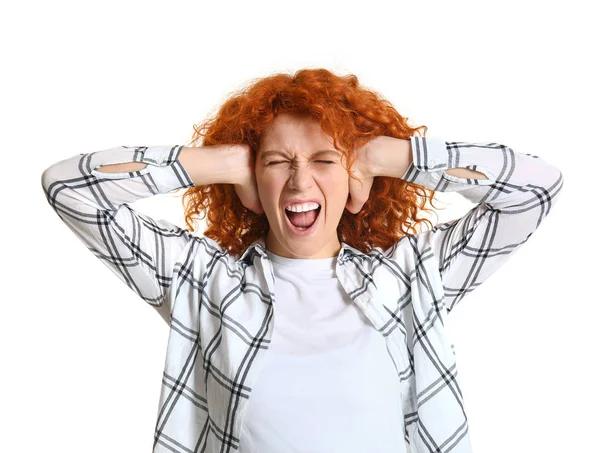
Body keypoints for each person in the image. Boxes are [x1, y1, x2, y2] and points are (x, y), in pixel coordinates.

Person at [41, 68, 564, 453]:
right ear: (251, 185)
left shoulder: (410, 277)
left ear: (354, 179)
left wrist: (392, 156)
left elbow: (535, 190)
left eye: (324, 160)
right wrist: (220, 162)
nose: (299, 181)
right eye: (276, 162)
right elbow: (69, 189)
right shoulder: (201, 281)